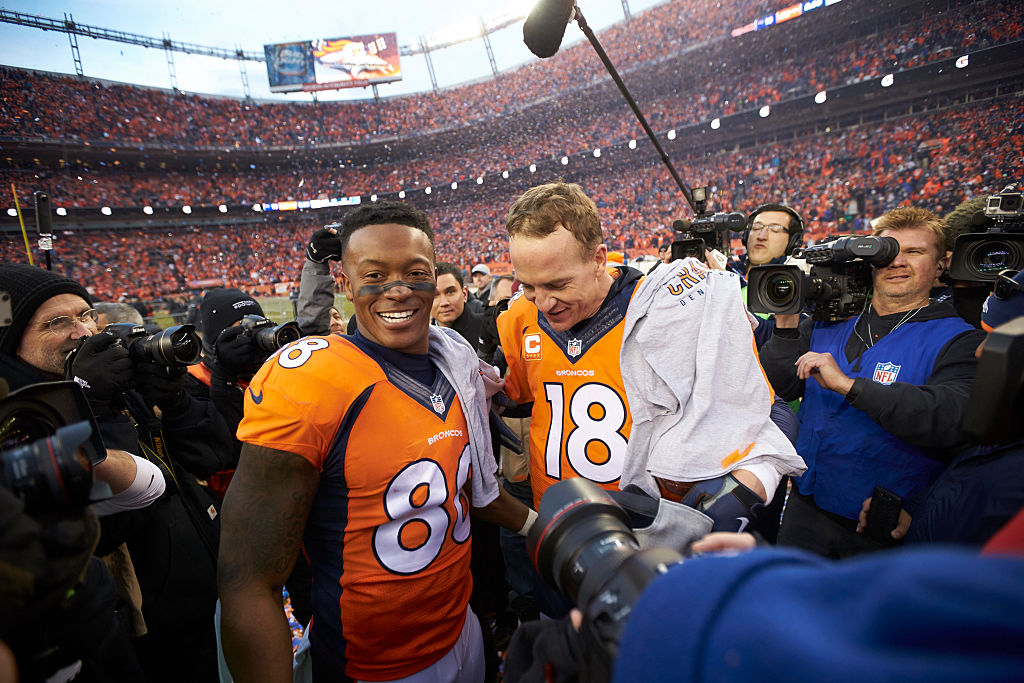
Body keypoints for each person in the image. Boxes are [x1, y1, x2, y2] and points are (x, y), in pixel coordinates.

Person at [218, 201, 532, 683]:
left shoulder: (455, 359)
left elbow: (469, 494)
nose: (399, 289)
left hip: (462, 628)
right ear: (343, 282)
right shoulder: (310, 381)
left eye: (415, 272)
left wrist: (542, 528)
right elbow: (248, 583)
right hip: (372, 667)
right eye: (375, 274)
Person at [497, 182, 800, 516]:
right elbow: (519, 398)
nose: (543, 301)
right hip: (560, 527)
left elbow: (770, 411)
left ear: (599, 259)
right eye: (528, 285)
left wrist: (743, 489)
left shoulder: (672, 308)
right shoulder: (520, 316)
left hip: (652, 532)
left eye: (557, 284)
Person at [760, 206, 986, 558]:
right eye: (889, 251)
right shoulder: (830, 321)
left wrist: (850, 386)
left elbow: (949, 420)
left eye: (914, 252)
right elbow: (784, 386)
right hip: (806, 509)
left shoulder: (960, 339)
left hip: (879, 526)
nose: (897, 262)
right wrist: (786, 326)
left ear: (941, 264)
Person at [856, 269, 1024, 547]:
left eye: (999, 340)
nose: (980, 352)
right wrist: (917, 513)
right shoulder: (1005, 425)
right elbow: (965, 487)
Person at [433, 261, 483, 349]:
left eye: (450, 292)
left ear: (465, 294)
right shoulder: (418, 340)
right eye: (434, 295)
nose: (444, 303)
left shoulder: (488, 330)